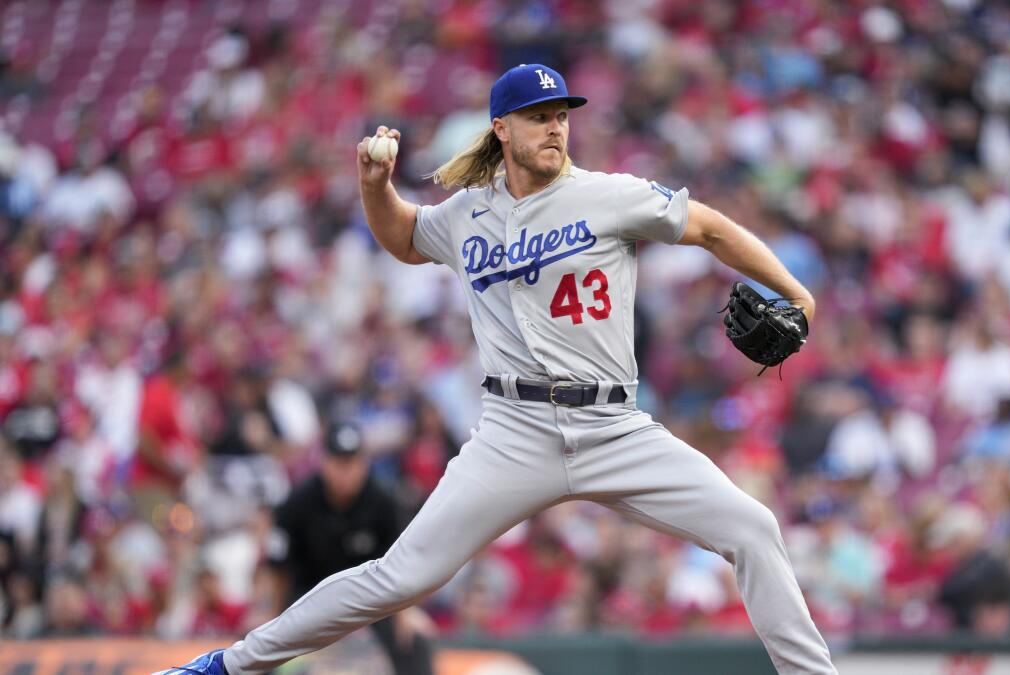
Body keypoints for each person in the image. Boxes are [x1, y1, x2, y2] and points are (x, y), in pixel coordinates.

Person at [162, 63, 834, 675]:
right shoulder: (467, 213)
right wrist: (375, 186)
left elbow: (711, 228)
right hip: (515, 430)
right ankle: (227, 666)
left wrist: (796, 292)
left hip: (613, 425)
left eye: (562, 115)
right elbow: (402, 236)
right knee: (401, 576)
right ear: (501, 128)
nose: (555, 127)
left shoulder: (610, 195)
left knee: (753, 528)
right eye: (540, 116)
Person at [266, 420, 433, 675]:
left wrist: (406, 614)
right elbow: (278, 568)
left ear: (364, 464)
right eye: (338, 463)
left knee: (415, 640)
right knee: (262, 645)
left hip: (372, 600)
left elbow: (405, 566)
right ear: (324, 463)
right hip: (309, 597)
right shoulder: (298, 501)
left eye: (352, 463)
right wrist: (270, 615)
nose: (345, 472)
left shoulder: (384, 501)